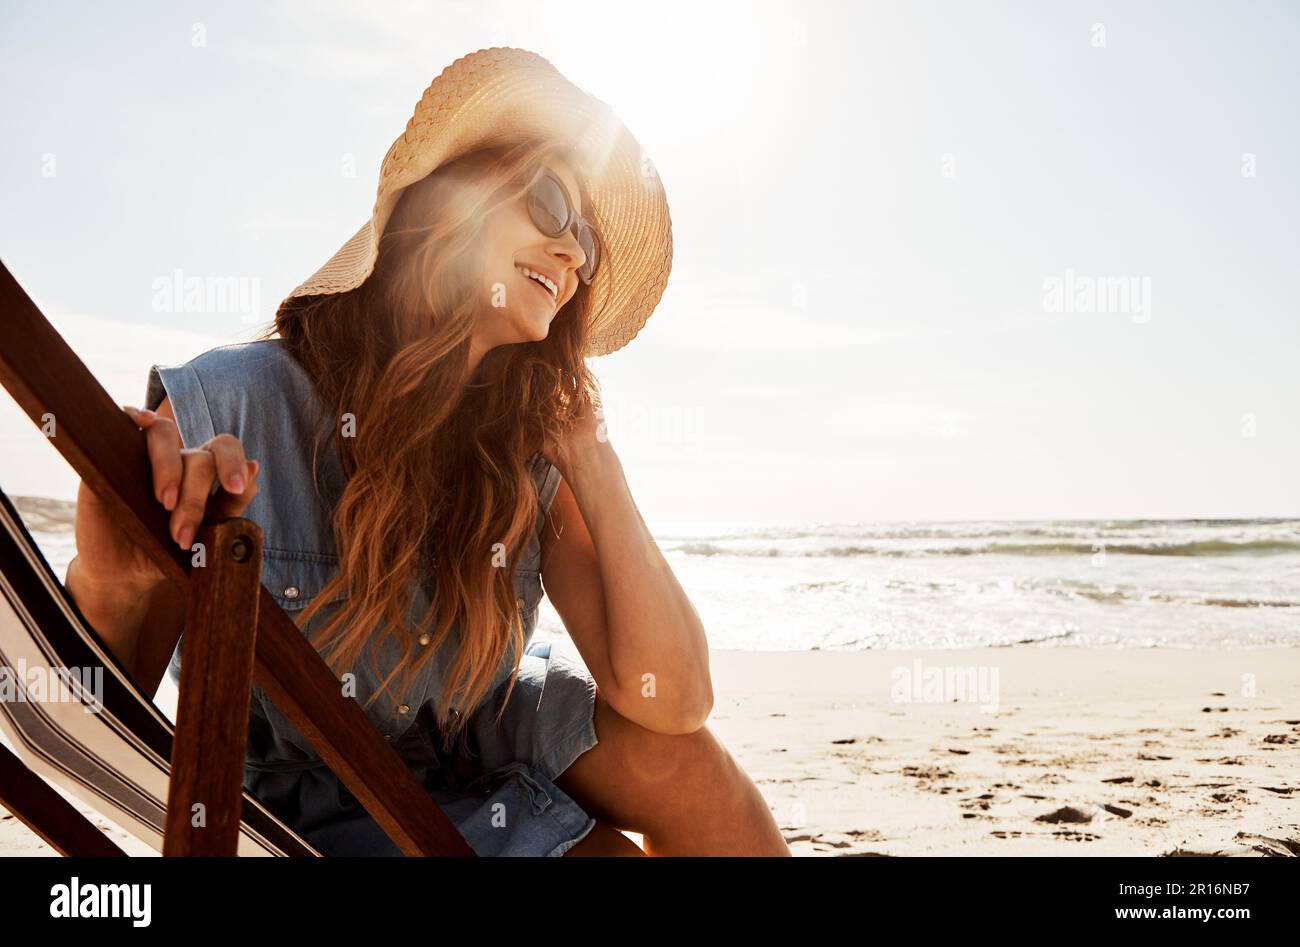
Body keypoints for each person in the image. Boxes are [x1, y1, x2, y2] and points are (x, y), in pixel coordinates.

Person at [64, 48, 789, 856]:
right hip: (304, 797)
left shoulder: (526, 447)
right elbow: (85, 732)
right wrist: (110, 578)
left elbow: (675, 698)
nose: (576, 254)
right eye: (551, 203)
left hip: (474, 736)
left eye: (585, 237)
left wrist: (593, 457)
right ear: (448, 201)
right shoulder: (232, 405)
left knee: (689, 767)